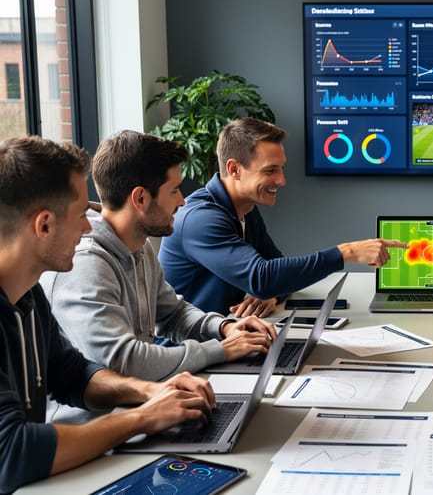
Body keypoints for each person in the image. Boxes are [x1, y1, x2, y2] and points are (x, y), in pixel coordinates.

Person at [0, 136, 214, 492]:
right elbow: (11, 453)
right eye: (81, 213)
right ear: (44, 225)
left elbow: (71, 374)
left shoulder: (28, 295)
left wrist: (148, 392)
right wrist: (142, 418)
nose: (88, 227)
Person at [39, 131, 276, 420]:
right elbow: (124, 361)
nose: (182, 201)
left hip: (144, 410)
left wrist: (225, 328)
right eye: (174, 190)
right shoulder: (86, 263)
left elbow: (173, 314)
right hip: (98, 429)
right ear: (140, 198)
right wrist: (221, 350)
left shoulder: (139, 247)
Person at [159, 117, 406, 317]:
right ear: (234, 169)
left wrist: (273, 294)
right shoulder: (200, 219)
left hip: (226, 341)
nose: (282, 180)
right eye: (270, 171)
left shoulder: (246, 209)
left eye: (281, 168)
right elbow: (262, 277)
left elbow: (276, 270)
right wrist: (347, 252)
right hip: (187, 359)